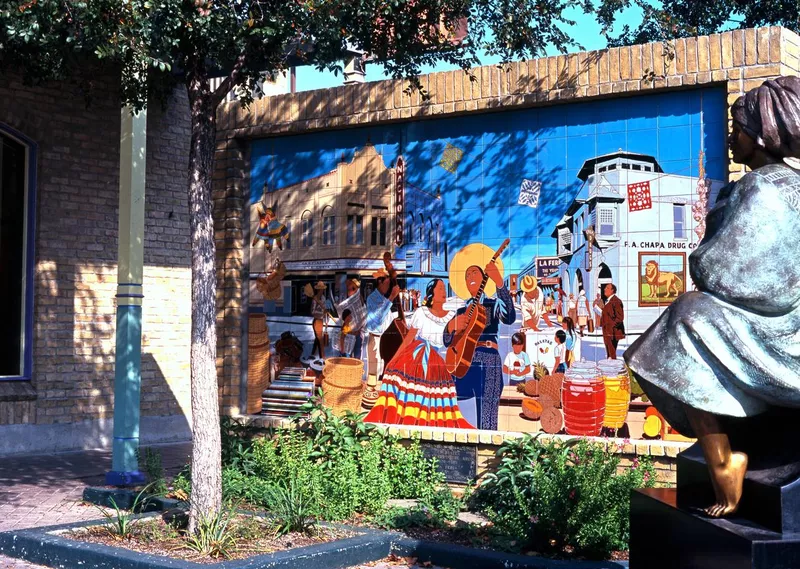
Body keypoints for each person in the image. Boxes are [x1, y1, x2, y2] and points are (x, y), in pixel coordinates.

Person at [625, 76, 800, 518]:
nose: (729, 136)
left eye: (737, 127)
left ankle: (724, 461)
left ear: (760, 134)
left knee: (684, 320)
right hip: (787, 326)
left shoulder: (761, 187)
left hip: (778, 335)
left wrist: (702, 253)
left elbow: (724, 273)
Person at [365, 279, 474, 428]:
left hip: (438, 362)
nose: (443, 292)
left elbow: (456, 343)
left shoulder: (452, 316)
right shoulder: (421, 312)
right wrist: (394, 360)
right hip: (415, 356)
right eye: (440, 288)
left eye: (444, 289)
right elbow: (409, 338)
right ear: (431, 294)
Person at [443, 243, 516, 430]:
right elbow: (448, 341)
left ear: (484, 277)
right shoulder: (460, 310)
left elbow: (509, 317)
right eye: (467, 275)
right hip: (461, 366)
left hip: (488, 360)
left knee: (487, 419)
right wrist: (451, 327)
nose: (470, 277)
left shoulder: (492, 304)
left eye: (474, 273)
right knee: (453, 413)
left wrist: (500, 282)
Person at [365, 268, 400, 381]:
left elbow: (389, 320)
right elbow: (378, 318)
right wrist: (391, 298)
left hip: (385, 339)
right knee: (374, 372)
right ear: (380, 282)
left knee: (382, 370)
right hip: (375, 339)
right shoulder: (372, 298)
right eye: (387, 283)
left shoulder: (383, 299)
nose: (388, 287)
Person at [337, 278, 366, 360]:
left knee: (357, 356)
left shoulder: (360, 300)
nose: (350, 291)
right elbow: (343, 333)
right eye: (349, 289)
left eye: (353, 289)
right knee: (348, 357)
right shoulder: (347, 303)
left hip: (357, 335)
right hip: (349, 335)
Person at [600, 283, 625, 359]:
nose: (604, 289)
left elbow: (620, 318)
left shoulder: (616, 301)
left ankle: (613, 368)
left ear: (612, 290)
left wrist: (610, 326)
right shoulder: (607, 300)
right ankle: (610, 367)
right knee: (609, 353)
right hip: (607, 331)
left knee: (612, 353)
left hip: (613, 332)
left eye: (607, 288)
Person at [309, 281, 327, 361]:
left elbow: (325, 309)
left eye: (322, 289)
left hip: (321, 320)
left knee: (318, 339)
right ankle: (322, 357)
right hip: (317, 321)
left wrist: (325, 318)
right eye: (320, 289)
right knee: (320, 339)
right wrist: (322, 312)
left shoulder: (323, 298)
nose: (321, 291)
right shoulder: (315, 300)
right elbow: (313, 312)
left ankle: (313, 353)